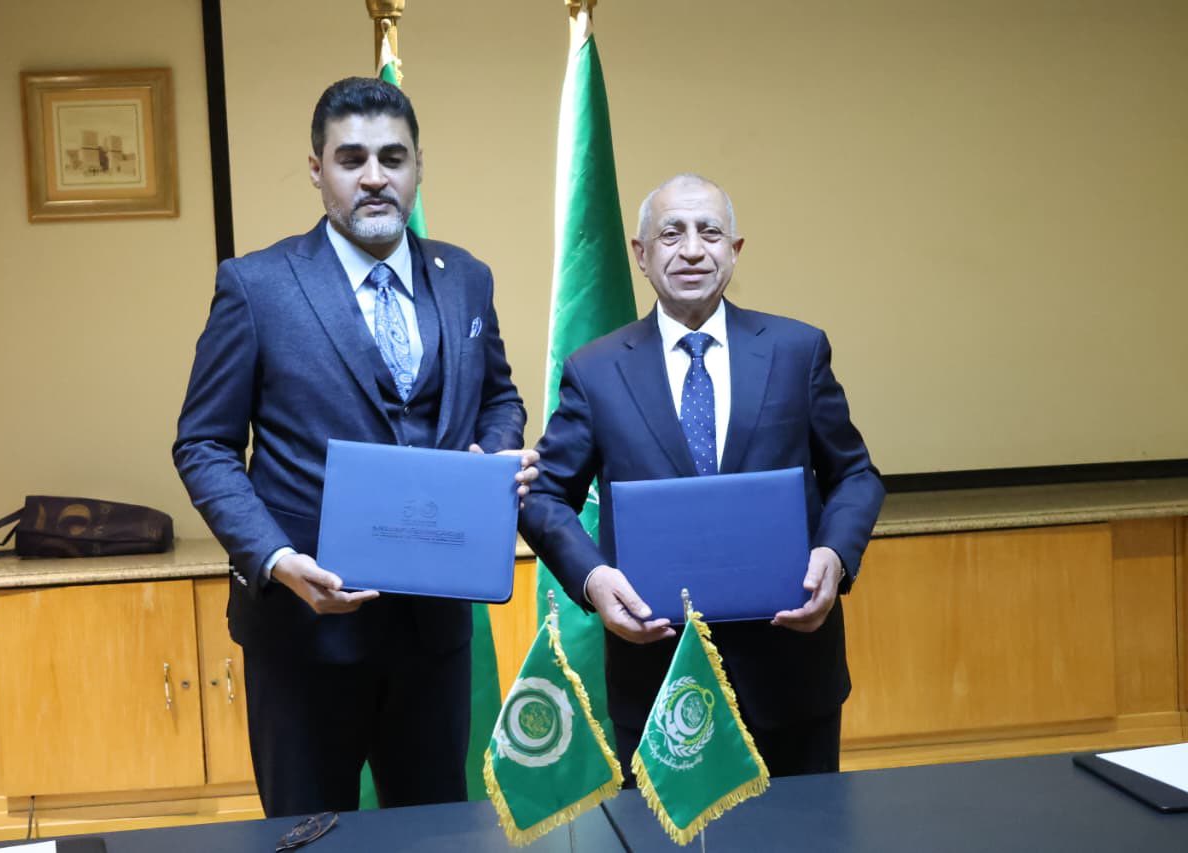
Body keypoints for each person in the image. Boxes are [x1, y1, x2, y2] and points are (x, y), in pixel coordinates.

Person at [174, 77, 534, 817]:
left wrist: (494, 453)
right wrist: (275, 559)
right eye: (352, 158)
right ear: (317, 169)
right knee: (312, 834)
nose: (374, 176)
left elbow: (500, 398)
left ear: (418, 167)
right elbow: (204, 443)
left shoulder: (466, 279)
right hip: (304, 631)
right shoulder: (256, 286)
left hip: (434, 633)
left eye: (393, 157)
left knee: (435, 831)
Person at [519, 173, 884, 778]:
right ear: (641, 254)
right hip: (657, 680)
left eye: (709, 232)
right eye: (672, 234)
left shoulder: (797, 350)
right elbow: (543, 497)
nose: (692, 249)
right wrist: (593, 579)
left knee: (806, 829)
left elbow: (856, 475)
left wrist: (835, 555)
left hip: (791, 675)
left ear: (734, 250)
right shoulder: (596, 370)